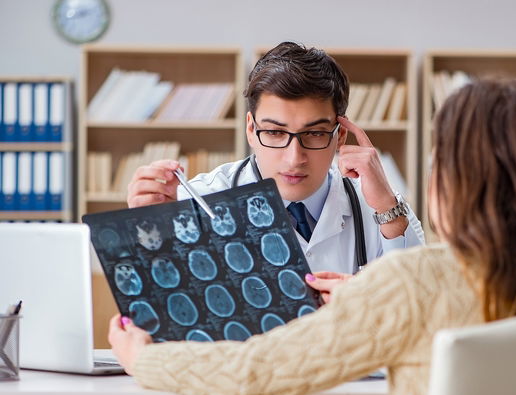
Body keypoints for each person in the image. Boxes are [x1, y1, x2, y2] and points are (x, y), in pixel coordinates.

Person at [110, 77, 516, 395]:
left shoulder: (415, 280)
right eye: (275, 133)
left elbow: (253, 374)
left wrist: (145, 359)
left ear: (454, 180)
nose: (294, 154)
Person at [127, 41, 425, 274]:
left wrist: (388, 211)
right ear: (250, 129)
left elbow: (422, 308)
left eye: (315, 133)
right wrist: (153, 234)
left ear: (340, 137)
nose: (294, 158)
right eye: (274, 133)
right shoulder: (201, 200)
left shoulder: (382, 207)